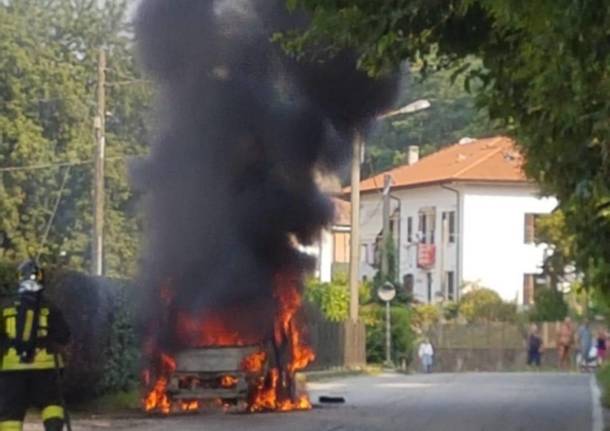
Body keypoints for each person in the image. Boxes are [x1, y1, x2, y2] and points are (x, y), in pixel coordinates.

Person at [0, 260, 71, 431]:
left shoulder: (4, 307)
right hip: (45, 369)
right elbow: (64, 336)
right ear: (41, 278)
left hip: (11, 371)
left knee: (10, 415)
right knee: (51, 405)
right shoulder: (50, 307)